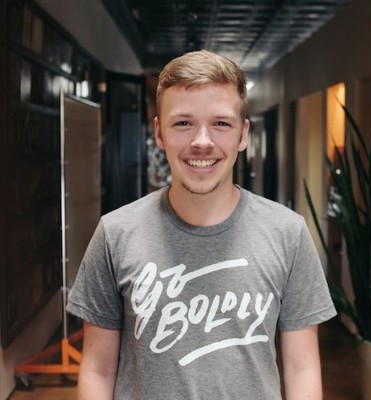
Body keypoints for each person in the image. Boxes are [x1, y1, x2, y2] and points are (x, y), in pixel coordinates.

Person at [67, 49, 337, 400]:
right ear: (159, 132)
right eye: (183, 123)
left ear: (243, 134)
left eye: (221, 123)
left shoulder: (288, 233)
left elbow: (302, 368)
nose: (202, 142)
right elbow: (97, 369)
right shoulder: (115, 233)